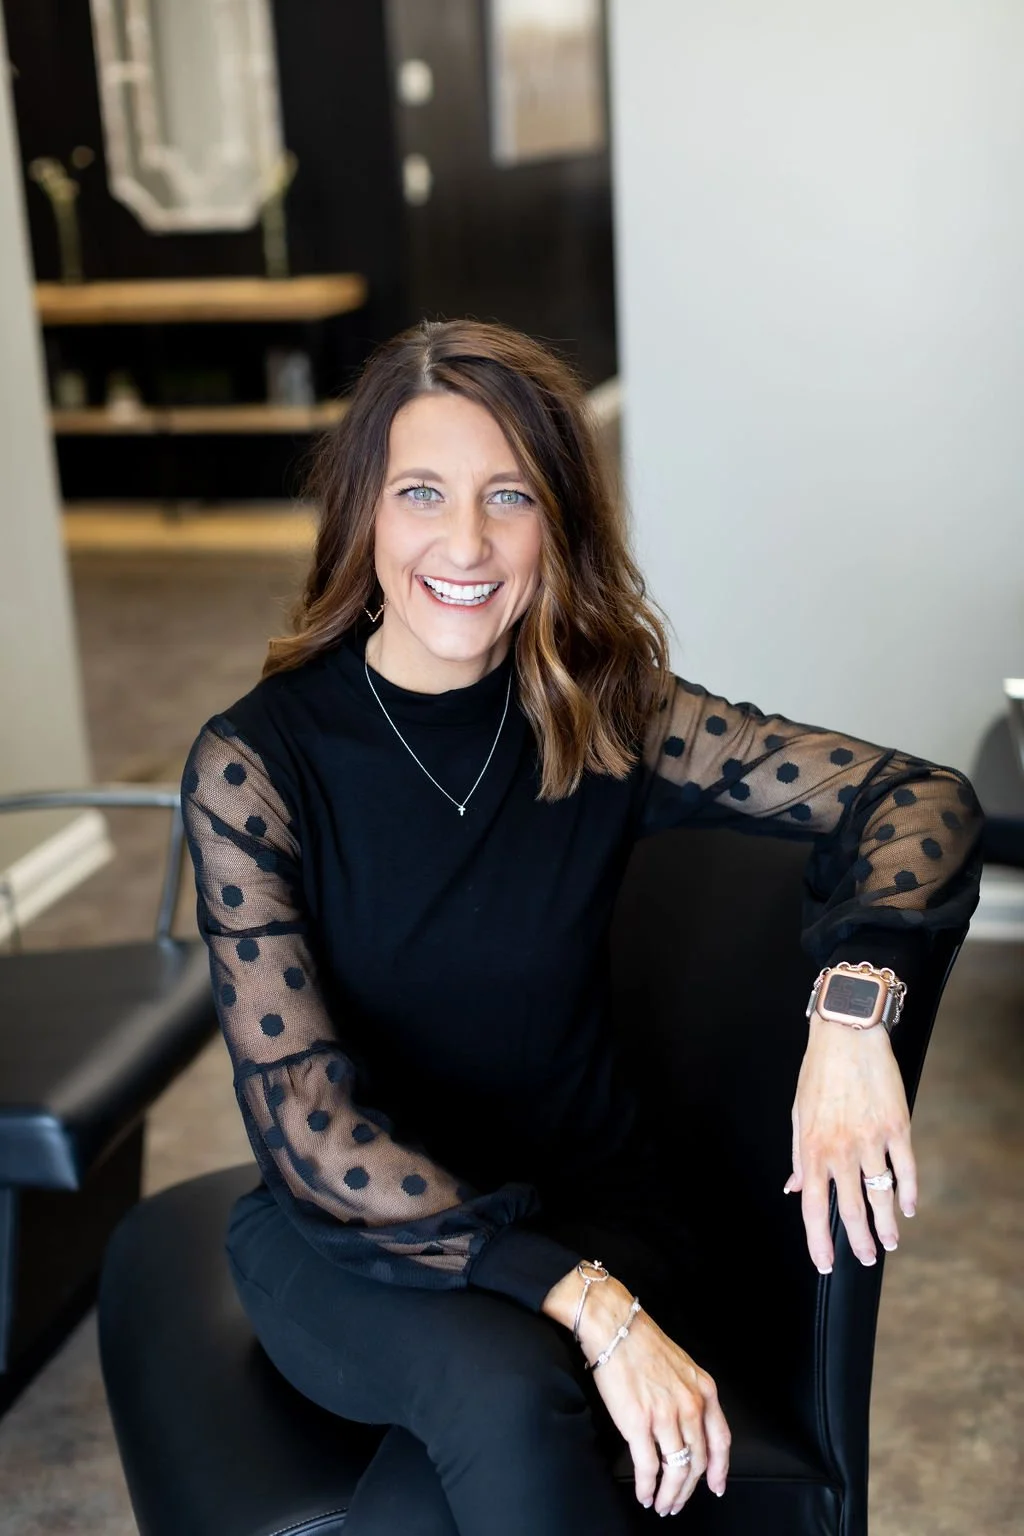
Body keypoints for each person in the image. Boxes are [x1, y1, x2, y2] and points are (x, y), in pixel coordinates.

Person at [180, 319, 982, 1534]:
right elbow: (307, 1124)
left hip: (590, 1206)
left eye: (509, 496)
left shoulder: (607, 719)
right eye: (421, 494)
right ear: (362, 517)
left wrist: (853, 1008)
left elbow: (917, 797)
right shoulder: (258, 766)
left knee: (430, 1496)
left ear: (556, 519)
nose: (465, 542)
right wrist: (590, 1310)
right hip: (358, 1232)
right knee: (501, 1402)